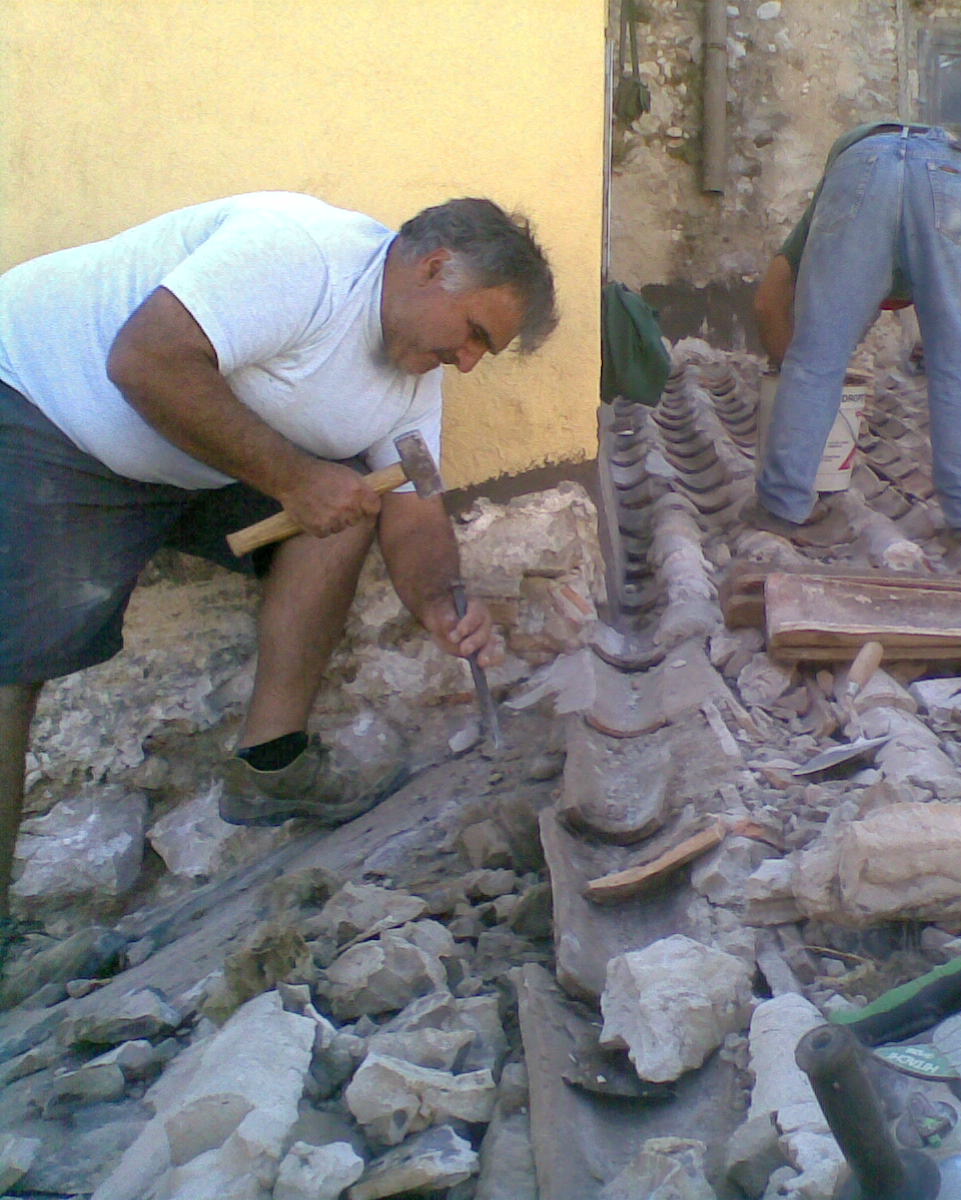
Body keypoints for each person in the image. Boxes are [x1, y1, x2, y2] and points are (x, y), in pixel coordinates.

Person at [0, 191, 558, 931]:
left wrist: (438, 601)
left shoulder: (414, 376)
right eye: (475, 334)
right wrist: (295, 478)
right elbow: (146, 361)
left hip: (192, 459)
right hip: (45, 408)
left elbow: (415, 508)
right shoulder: (302, 255)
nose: (468, 362)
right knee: (11, 665)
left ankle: (270, 764)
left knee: (344, 510)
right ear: (433, 268)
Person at [749, 120, 961, 542]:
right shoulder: (945, 270)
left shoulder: (826, 226)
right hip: (950, 170)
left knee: (815, 359)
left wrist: (791, 374)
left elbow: (767, 303)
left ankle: (780, 506)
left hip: (863, 162)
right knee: (958, 364)